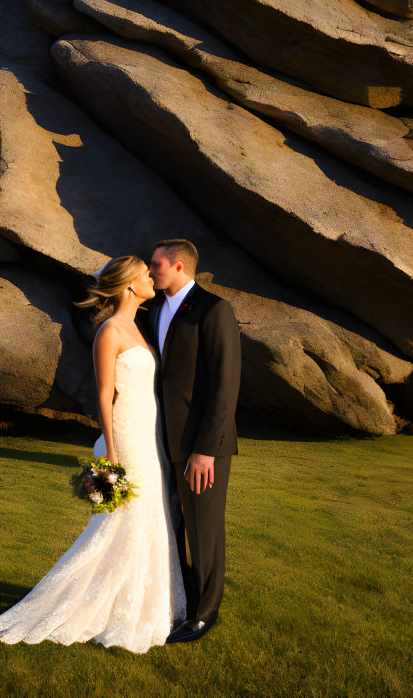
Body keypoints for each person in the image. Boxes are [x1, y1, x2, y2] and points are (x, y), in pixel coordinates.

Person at [0, 255, 186, 653]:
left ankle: (140, 605)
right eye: (144, 275)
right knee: (120, 523)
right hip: (125, 436)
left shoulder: (137, 326)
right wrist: (112, 451)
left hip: (147, 433)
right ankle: (77, 605)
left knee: (147, 518)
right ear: (128, 285)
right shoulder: (110, 331)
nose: (151, 279)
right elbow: (104, 395)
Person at [145, 238, 242, 644]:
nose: (150, 271)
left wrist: (205, 449)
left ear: (180, 266)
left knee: (204, 530)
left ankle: (204, 613)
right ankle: (181, 602)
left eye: (156, 265)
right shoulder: (150, 310)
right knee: (171, 524)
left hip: (202, 447)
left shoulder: (214, 310)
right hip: (160, 442)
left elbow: (225, 386)